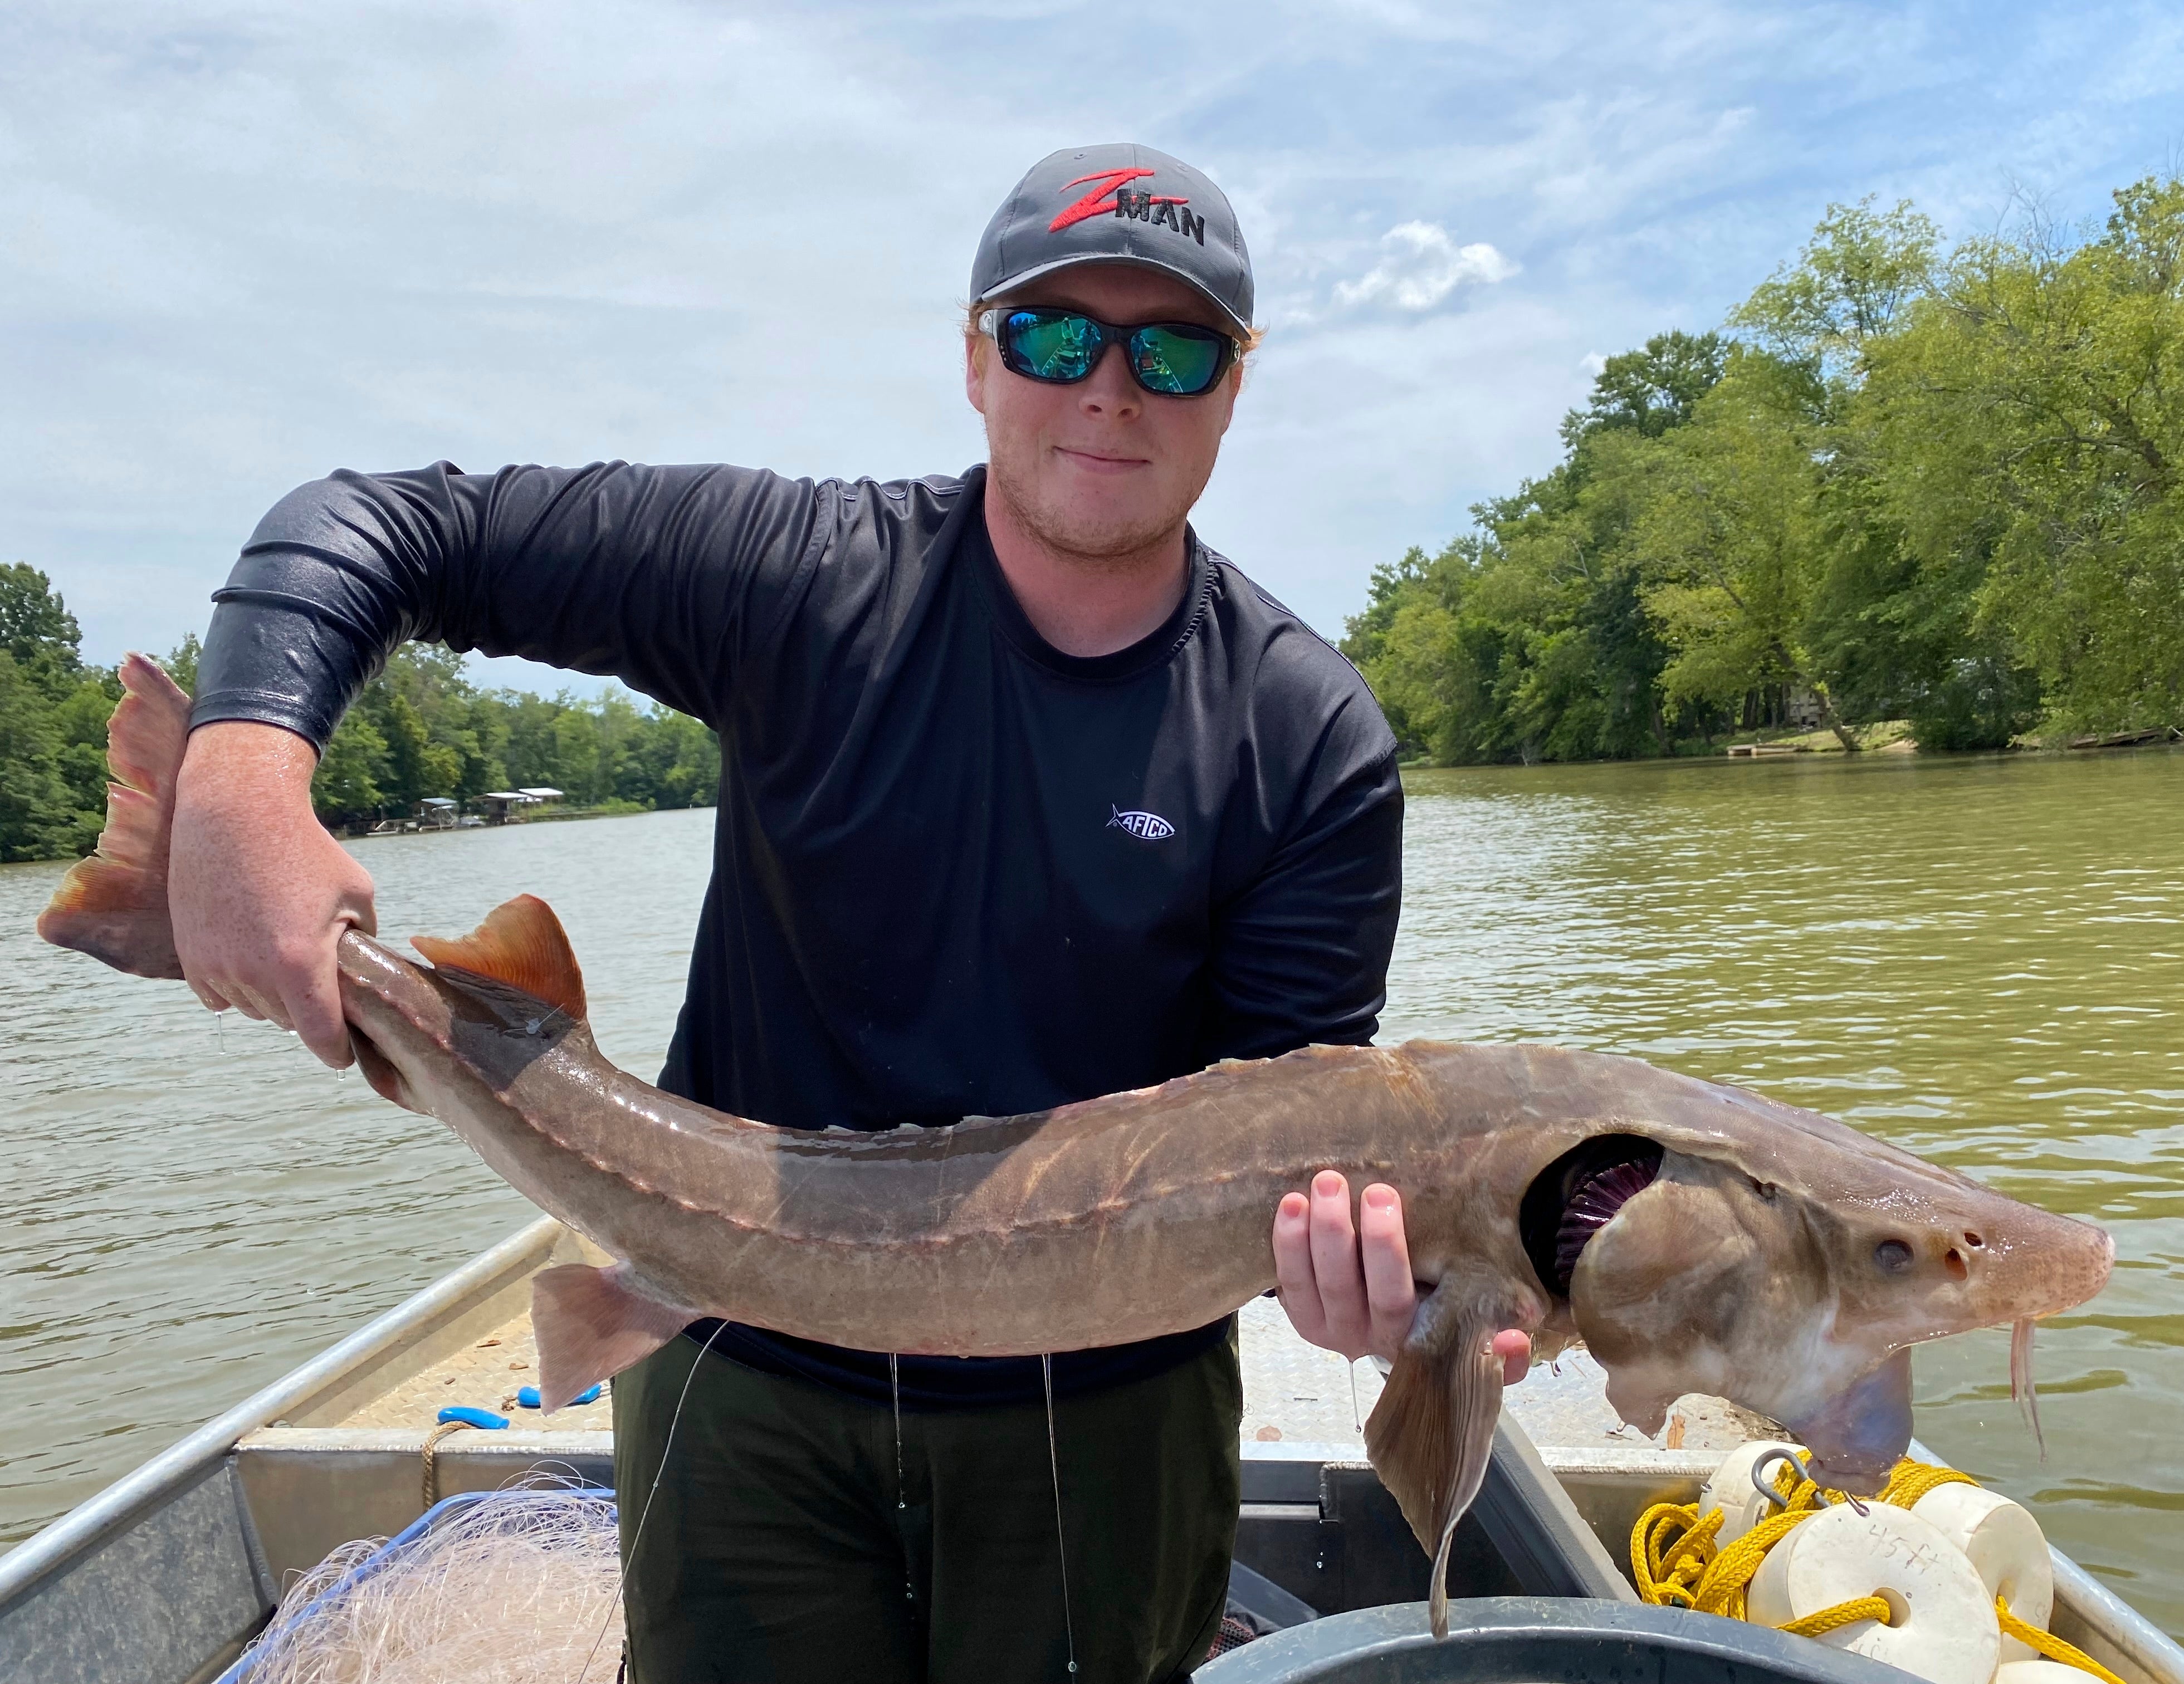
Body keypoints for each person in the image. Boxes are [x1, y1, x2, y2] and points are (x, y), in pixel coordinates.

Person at [169, 143, 1532, 1682]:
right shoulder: (801, 579)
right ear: (974, 356)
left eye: (1173, 347)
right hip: (733, 1364)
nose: (1109, 388)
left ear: (1234, 384)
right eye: (1053, 334)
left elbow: (1284, 1138)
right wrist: (238, 785)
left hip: (1102, 1420)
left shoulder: (1308, 740)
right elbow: (382, 524)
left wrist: (1367, 1290)